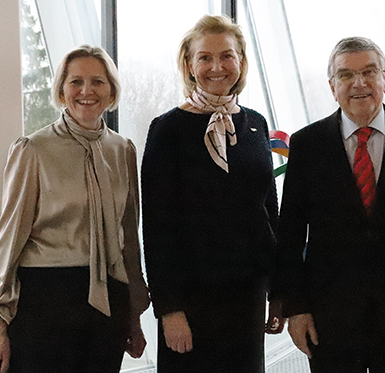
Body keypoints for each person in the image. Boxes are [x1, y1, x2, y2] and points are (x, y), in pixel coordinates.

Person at [271, 36, 385, 372]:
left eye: (369, 72)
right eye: (345, 75)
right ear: (331, 85)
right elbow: (291, 234)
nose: (359, 83)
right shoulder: (307, 145)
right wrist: (296, 309)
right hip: (330, 319)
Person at [0, 45, 150, 373]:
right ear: (61, 90)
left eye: (97, 82)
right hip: (44, 301)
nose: (86, 91)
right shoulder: (32, 149)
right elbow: (9, 239)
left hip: (109, 306)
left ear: (111, 90)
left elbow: (129, 237)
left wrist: (133, 316)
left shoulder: (123, 150)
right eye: (76, 82)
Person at [141, 14, 282, 373]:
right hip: (189, 299)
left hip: (247, 295)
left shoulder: (255, 124)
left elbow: (269, 209)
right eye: (205, 57)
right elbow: (157, 228)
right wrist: (169, 311)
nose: (216, 66)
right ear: (189, 65)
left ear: (241, 62)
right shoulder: (167, 129)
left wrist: (279, 291)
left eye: (227, 56)